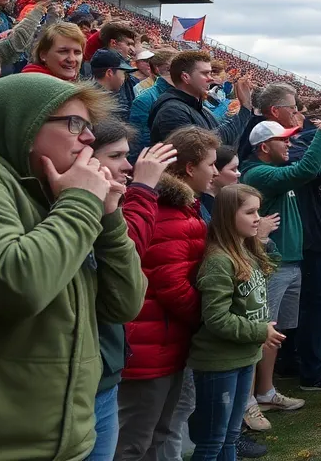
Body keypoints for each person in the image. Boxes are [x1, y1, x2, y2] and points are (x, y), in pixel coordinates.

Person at [0, 73, 145, 460]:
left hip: (60, 433)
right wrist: (82, 203)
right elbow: (18, 284)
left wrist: (107, 219)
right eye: (75, 124)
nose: (89, 138)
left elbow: (123, 305)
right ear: (25, 122)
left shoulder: (50, 190)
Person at [117, 126, 219, 460]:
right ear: (190, 168)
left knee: (158, 434)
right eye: (211, 165)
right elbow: (173, 287)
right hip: (150, 349)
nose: (216, 172)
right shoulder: (169, 214)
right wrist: (208, 319)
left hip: (164, 343)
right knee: (135, 441)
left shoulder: (184, 209)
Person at [240, 80, 321, 420]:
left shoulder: (278, 170)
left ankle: (265, 390)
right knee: (261, 334)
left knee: (274, 334)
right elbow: (309, 167)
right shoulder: (261, 173)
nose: (291, 142)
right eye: (285, 139)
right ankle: (247, 401)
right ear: (265, 146)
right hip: (270, 265)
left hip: (289, 263)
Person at [88, 121, 177, 461]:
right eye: (116, 156)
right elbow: (130, 250)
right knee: (132, 444)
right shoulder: (93, 207)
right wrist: (143, 188)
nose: (128, 166)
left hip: (115, 358)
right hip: (115, 359)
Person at [188, 184, 282, 461]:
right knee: (212, 440)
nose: (257, 218)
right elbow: (216, 318)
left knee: (230, 436)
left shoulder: (247, 252)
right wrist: (259, 329)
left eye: (258, 211)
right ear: (229, 216)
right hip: (220, 363)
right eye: (250, 212)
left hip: (244, 356)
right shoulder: (219, 260)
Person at [147, 50, 254, 146]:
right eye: (205, 74)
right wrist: (245, 107)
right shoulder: (171, 111)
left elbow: (221, 137)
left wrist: (246, 106)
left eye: (210, 73)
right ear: (186, 77)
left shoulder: (198, 107)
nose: (211, 79)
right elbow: (206, 147)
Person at [92, 49, 136, 117]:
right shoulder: (105, 106)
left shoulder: (86, 96)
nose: (124, 78)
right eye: (123, 73)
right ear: (110, 73)